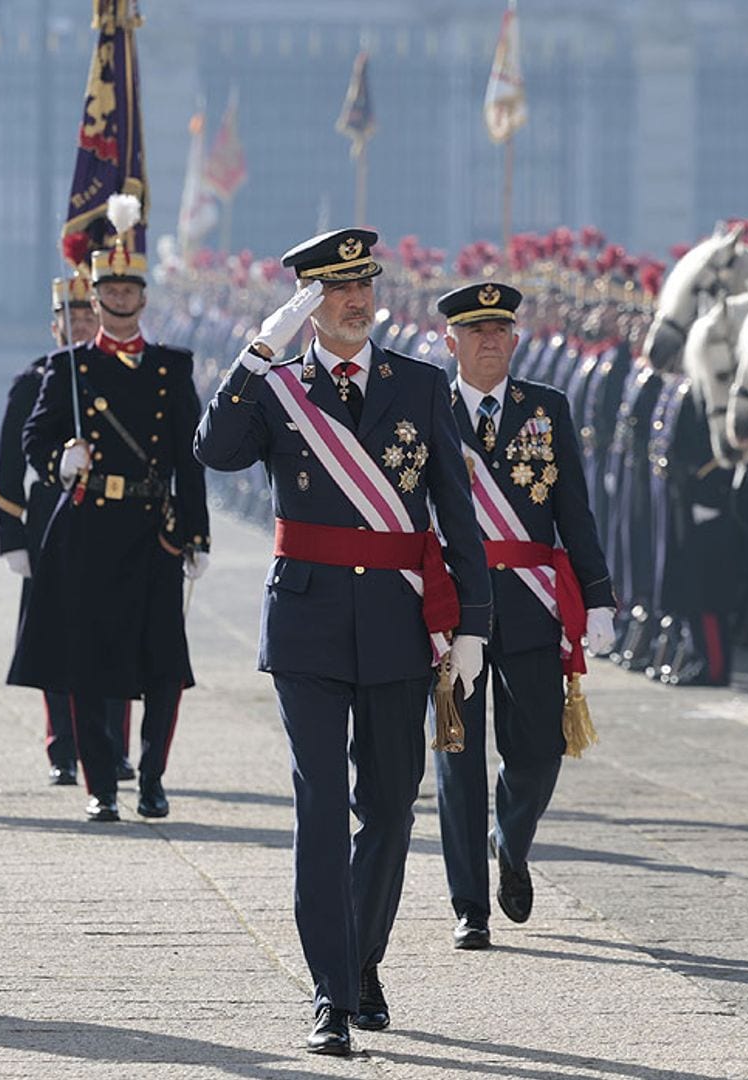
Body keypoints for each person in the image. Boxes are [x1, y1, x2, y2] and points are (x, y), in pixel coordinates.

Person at [195, 228, 491, 1055]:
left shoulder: (423, 385)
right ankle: (330, 990)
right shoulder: (276, 387)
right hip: (308, 623)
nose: (357, 301)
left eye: (363, 285)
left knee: (391, 807)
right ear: (307, 304)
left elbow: (456, 519)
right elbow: (215, 452)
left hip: (399, 623)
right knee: (321, 807)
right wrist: (256, 354)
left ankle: (363, 960)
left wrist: (473, 624)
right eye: (336, 290)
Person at [8, 195, 209, 823]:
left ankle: (152, 778)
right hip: (89, 527)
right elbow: (33, 438)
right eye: (109, 290)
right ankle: (101, 785)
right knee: (88, 665)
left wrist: (197, 534)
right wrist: (59, 462)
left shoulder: (172, 370)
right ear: (93, 299)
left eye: (129, 288)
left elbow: (189, 455)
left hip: (152, 530)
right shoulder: (69, 368)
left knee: (165, 666)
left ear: (142, 297)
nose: (120, 299)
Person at [433, 281, 618, 951]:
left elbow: (574, 507)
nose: (489, 339)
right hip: (454, 603)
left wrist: (597, 593)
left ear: (515, 338)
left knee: (539, 748)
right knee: (458, 757)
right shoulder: (428, 405)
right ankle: (469, 907)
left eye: (500, 329)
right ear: (450, 341)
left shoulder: (546, 408)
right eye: (475, 330)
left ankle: (509, 840)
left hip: (533, 599)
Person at [0, 262, 135, 787]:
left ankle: (115, 746)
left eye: (85, 315)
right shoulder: (36, 379)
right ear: (53, 324)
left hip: (113, 521)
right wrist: (12, 538)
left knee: (117, 635)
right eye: (68, 317)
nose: (77, 326)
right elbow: (10, 466)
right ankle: (63, 745)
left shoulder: (122, 373)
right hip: (51, 521)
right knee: (56, 638)